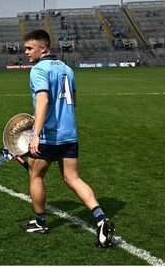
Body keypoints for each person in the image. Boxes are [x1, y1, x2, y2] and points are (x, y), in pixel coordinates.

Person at [20, 29, 114, 248]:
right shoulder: (67, 69)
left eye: (30, 48)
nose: (26, 52)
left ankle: (40, 222)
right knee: (73, 178)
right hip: (70, 134)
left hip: (49, 136)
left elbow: (43, 101)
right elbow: (74, 101)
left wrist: (35, 135)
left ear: (43, 48)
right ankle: (101, 218)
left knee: (36, 175)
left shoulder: (38, 70)